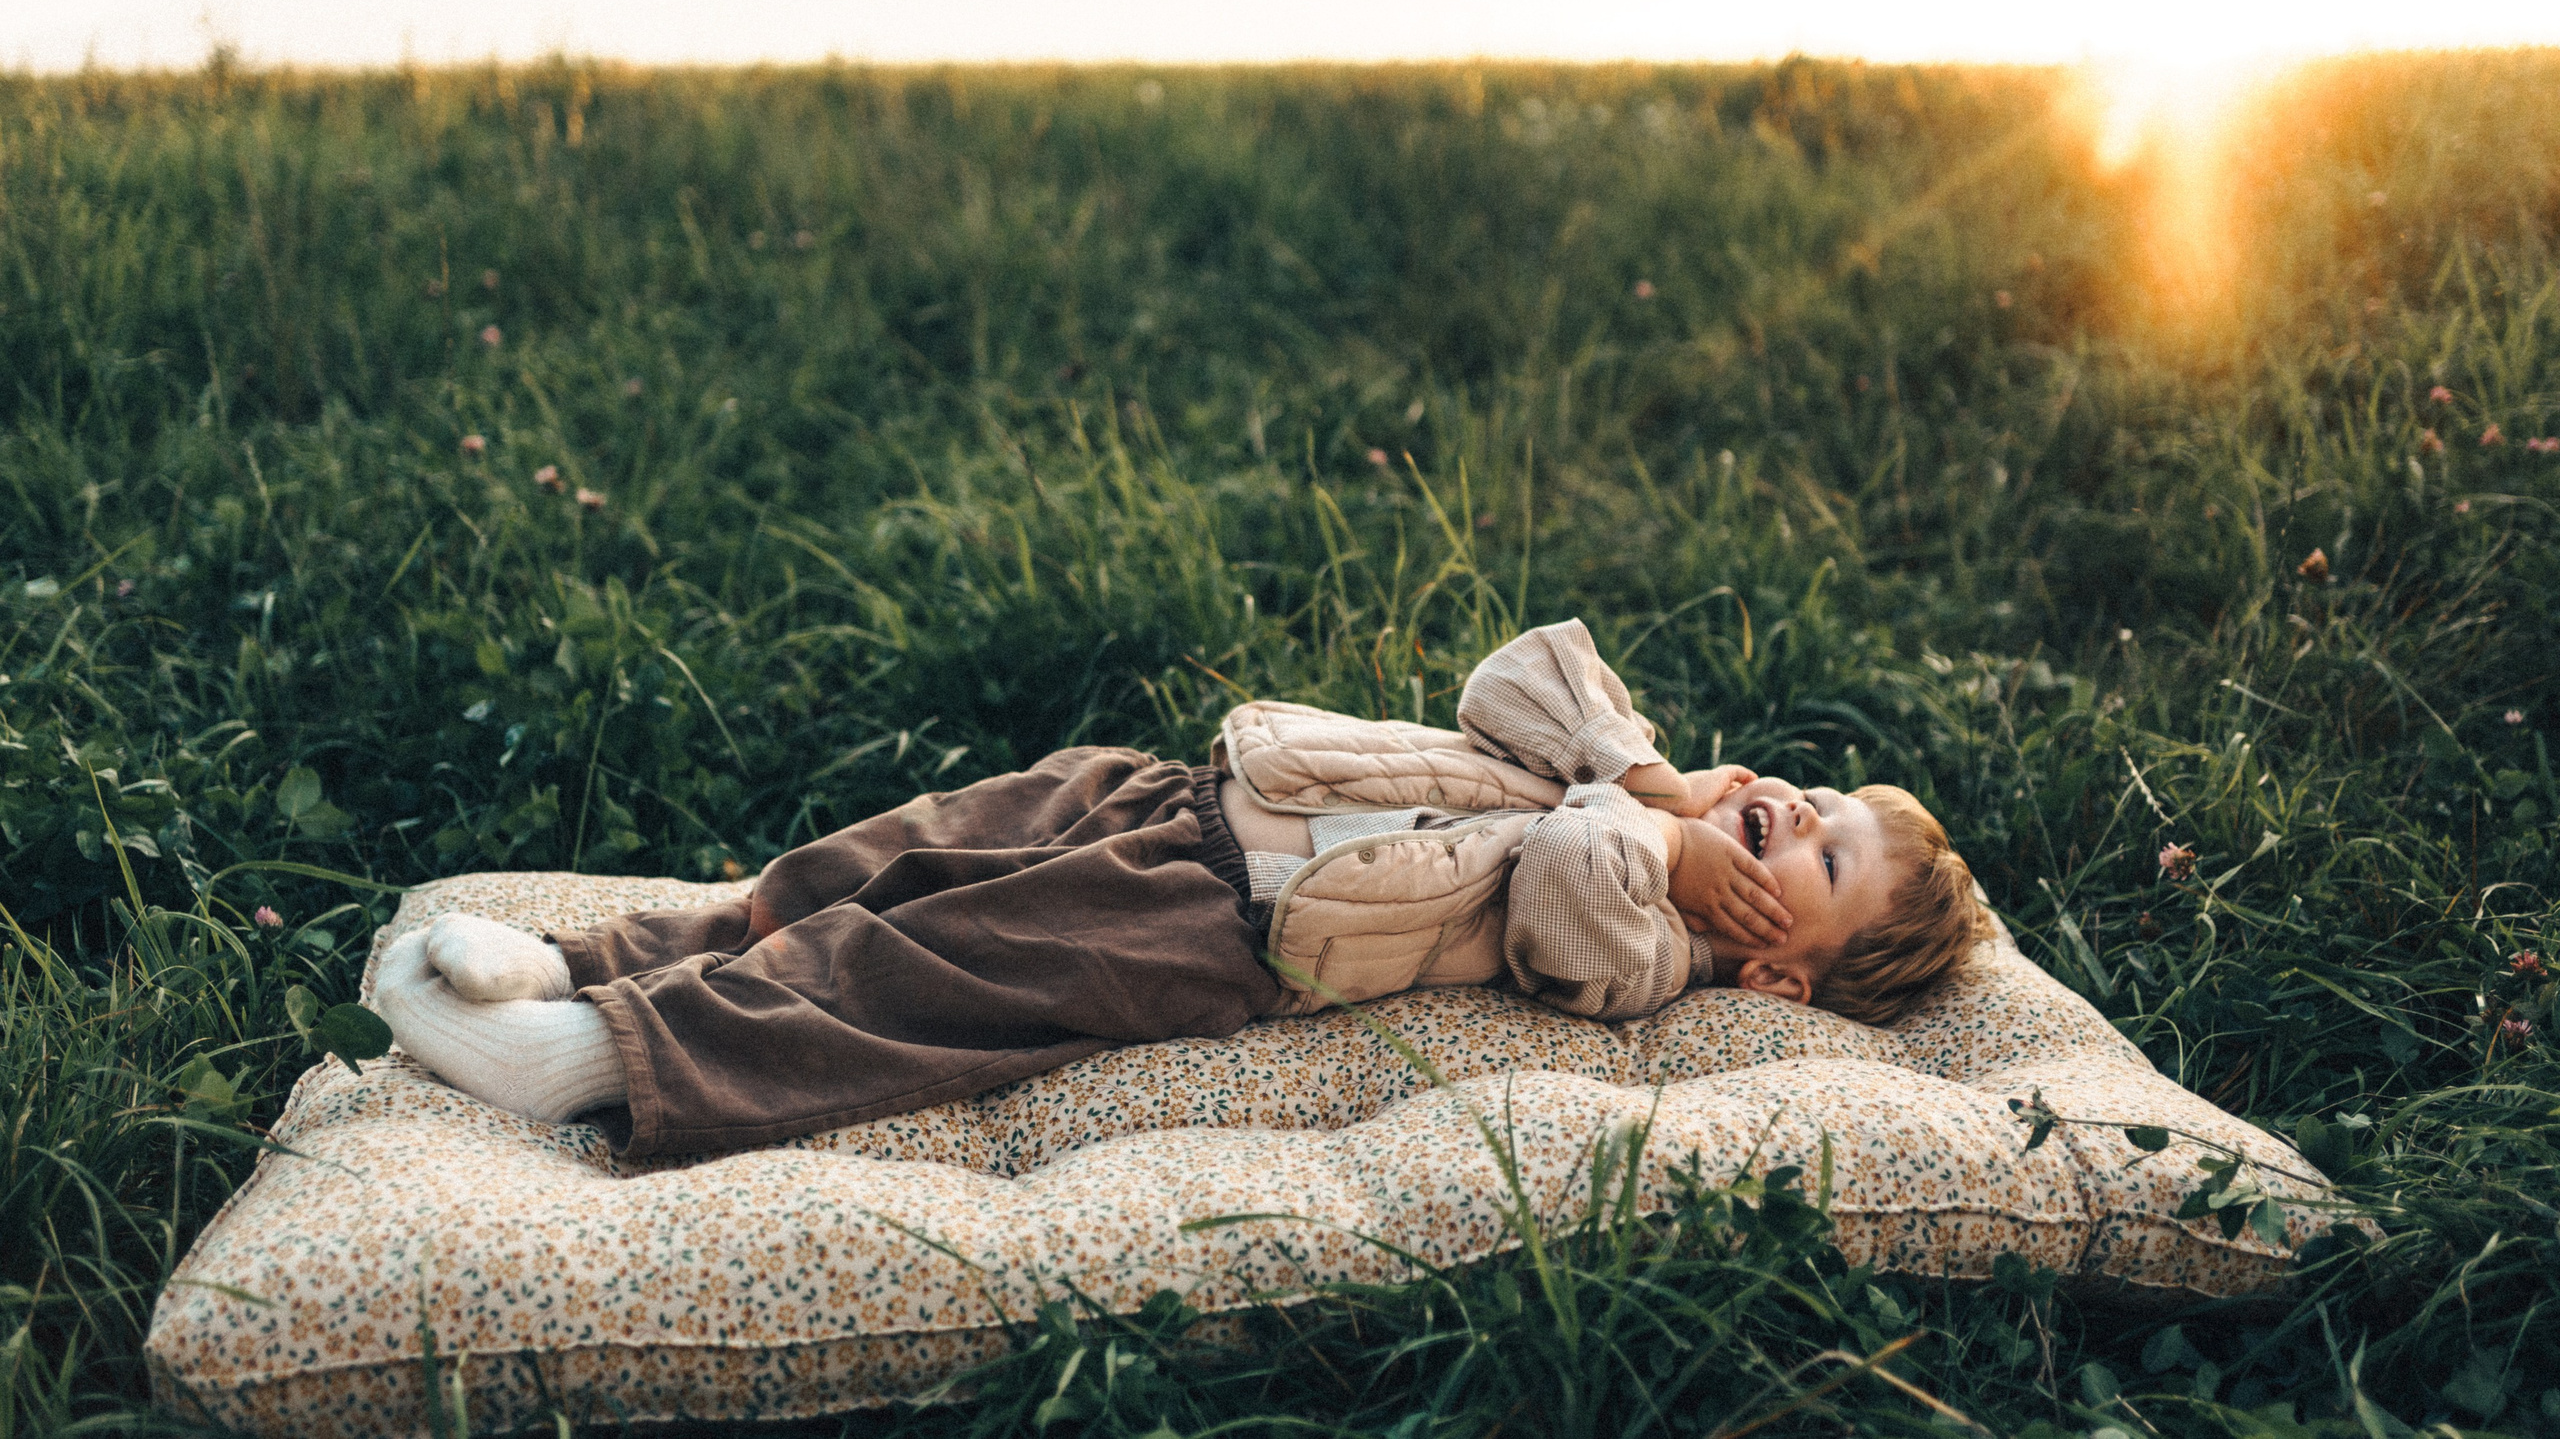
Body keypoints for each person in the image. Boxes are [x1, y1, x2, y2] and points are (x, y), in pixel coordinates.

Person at [375, 619, 1991, 1159]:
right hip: (1184, 793)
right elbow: (1520, 672)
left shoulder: (1657, 946)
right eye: (1816, 791)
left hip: (1229, 928)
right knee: (893, 856)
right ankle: (594, 960)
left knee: (931, 965)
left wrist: (1657, 834)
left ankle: (602, 1066)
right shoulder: (1642, 775)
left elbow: (1570, 886)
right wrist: (1654, 776)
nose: (1789, 805)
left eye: (1824, 851)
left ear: (1781, 971)